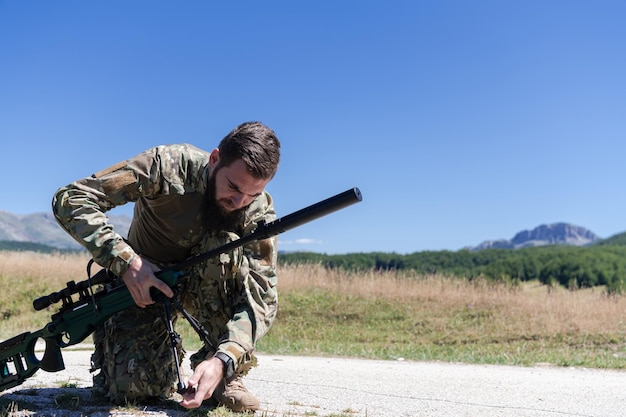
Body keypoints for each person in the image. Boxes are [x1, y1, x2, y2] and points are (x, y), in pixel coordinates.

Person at [52, 121, 281, 412]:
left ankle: (221, 374)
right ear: (214, 160)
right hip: (144, 286)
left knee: (223, 247)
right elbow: (72, 199)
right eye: (233, 187)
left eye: (252, 194)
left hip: (210, 282)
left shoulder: (257, 208)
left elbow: (262, 295)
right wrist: (127, 262)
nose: (239, 202)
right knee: (133, 391)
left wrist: (225, 358)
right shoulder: (167, 165)